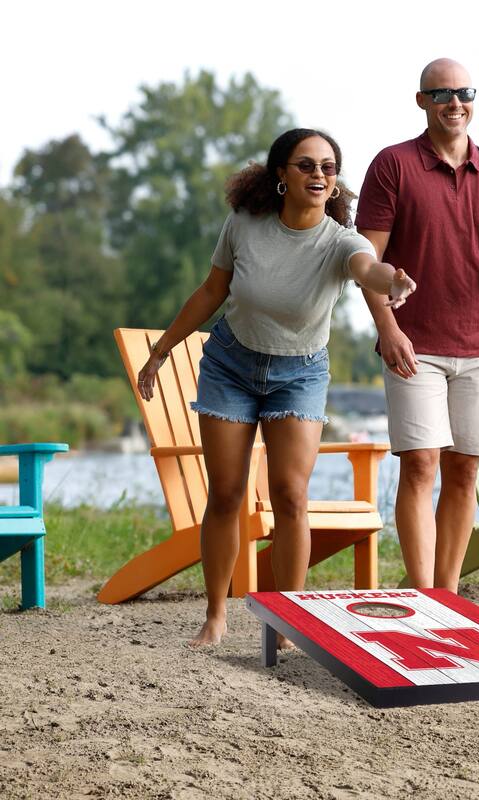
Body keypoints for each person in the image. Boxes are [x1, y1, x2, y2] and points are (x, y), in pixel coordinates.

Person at [136, 128, 416, 646]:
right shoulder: (245, 223)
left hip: (300, 373)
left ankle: (290, 621)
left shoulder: (340, 241)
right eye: (306, 165)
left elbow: (367, 269)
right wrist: (163, 349)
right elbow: (211, 290)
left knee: (291, 496)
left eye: (328, 167)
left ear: (335, 183)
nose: (318, 175)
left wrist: (391, 283)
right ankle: (216, 615)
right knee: (226, 494)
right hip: (230, 365)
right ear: (281, 175)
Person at [356, 58, 479, 592]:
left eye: (463, 92)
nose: (454, 102)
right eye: (441, 93)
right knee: (421, 465)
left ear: (473, 99)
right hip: (413, 346)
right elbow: (364, 261)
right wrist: (388, 328)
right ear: (421, 101)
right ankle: (422, 593)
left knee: (465, 469)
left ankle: (445, 592)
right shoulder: (392, 166)